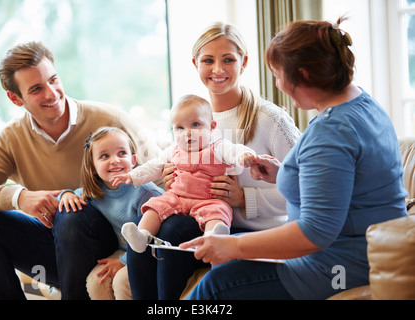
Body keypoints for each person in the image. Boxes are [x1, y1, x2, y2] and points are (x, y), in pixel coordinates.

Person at [180, 17, 409, 300]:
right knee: (207, 248)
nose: (277, 85)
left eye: (278, 75)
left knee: (214, 287)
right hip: (352, 252)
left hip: (339, 266)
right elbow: (343, 184)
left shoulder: (331, 132)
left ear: (304, 76)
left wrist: (234, 248)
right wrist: (284, 173)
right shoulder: (361, 103)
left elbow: (315, 233)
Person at [0, 41, 162, 299]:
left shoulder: (110, 120)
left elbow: (162, 171)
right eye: (36, 89)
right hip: (54, 251)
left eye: (53, 80)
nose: (51, 93)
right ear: (15, 98)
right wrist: (20, 197)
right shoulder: (12, 138)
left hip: (111, 243)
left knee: (70, 213)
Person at [124, 22, 300, 300]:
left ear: (243, 62)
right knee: (147, 242)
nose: (218, 69)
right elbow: (170, 168)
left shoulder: (271, 120)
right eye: (208, 60)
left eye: (228, 59)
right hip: (200, 218)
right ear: (196, 64)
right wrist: (172, 178)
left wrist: (244, 198)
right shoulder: (190, 117)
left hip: (252, 231)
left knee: (172, 234)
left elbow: (306, 191)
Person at [113, 95, 256, 254]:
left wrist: (244, 156)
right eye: (180, 128)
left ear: (212, 126)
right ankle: (143, 236)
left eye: (195, 125)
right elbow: (154, 166)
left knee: (219, 211)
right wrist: (132, 176)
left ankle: (213, 237)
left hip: (208, 200)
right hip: (177, 197)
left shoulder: (218, 146)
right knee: (155, 206)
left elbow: (234, 151)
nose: (188, 133)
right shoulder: (174, 149)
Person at [57, 126, 163, 298]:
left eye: (122, 153)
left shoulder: (145, 193)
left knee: (122, 280)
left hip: (149, 251)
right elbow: (70, 198)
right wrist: (65, 195)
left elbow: (157, 239)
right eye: (105, 156)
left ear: (133, 159)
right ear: (93, 165)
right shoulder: (95, 191)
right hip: (123, 249)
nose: (115, 160)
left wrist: (123, 261)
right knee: (95, 281)